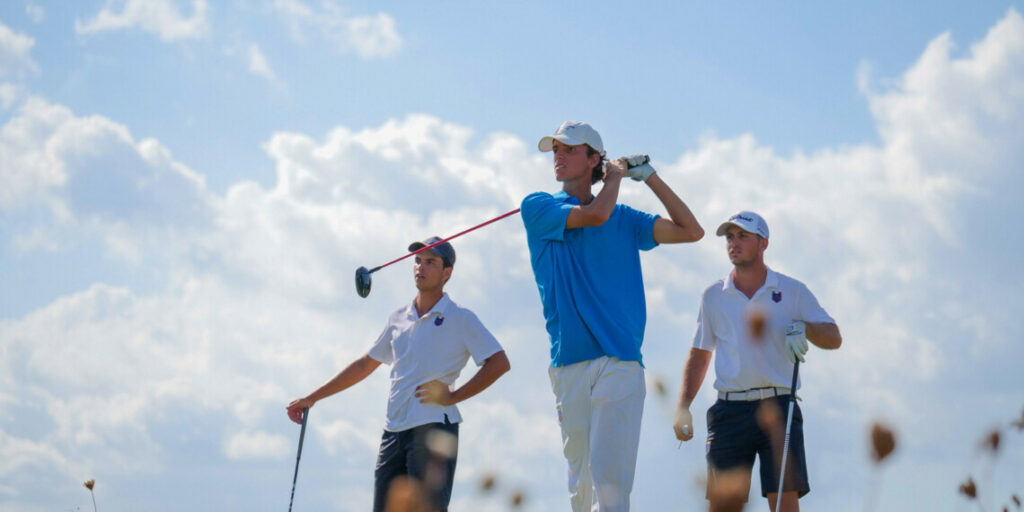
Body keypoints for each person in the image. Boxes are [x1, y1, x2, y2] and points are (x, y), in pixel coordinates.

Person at [520, 120, 705, 511]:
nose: (558, 156)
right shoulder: (538, 206)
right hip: (568, 363)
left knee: (609, 480)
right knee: (581, 486)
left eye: (569, 149)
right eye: (555, 150)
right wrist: (615, 178)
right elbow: (595, 215)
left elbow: (692, 231)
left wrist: (649, 177)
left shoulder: (625, 218)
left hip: (620, 360)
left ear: (593, 160)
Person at [286, 237, 510, 512]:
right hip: (393, 431)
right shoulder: (398, 317)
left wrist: (453, 396)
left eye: (430, 262)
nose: (420, 267)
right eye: (417, 261)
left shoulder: (460, 317)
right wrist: (312, 398)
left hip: (434, 429)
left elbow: (499, 362)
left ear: (447, 273)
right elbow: (364, 365)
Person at [673, 211, 842, 512]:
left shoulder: (791, 290)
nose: (733, 243)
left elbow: (833, 337)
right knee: (723, 505)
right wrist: (683, 406)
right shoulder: (713, 295)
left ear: (763, 243)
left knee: (784, 502)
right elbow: (700, 353)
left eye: (743, 236)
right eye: (729, 237)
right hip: (729, 410)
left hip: (780, 406)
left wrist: (804, 327)